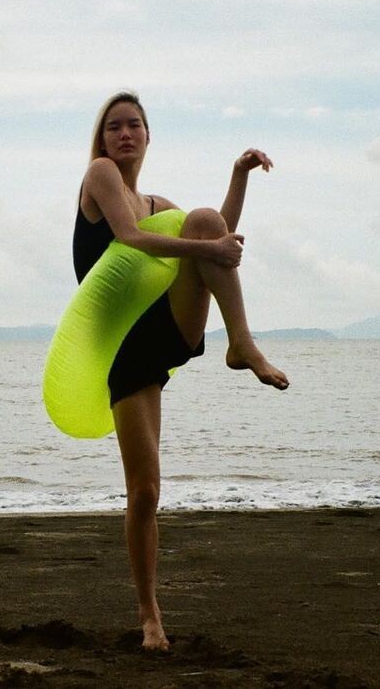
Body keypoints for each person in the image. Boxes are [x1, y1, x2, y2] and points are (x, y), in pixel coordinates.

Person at [72, 90, 289, 651]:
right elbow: (130, 238)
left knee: (203, 219)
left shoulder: (155, 202)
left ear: (148, 135)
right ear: (102, 139)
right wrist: (211, 247)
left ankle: (241, 344)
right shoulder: (100, 176)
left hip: (163, 328)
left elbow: (216, 234)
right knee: (145, 492)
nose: (125, 134)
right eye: (114, 126)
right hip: (123, 348)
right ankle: (150, 615)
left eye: (134, 125)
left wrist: (238, 175)